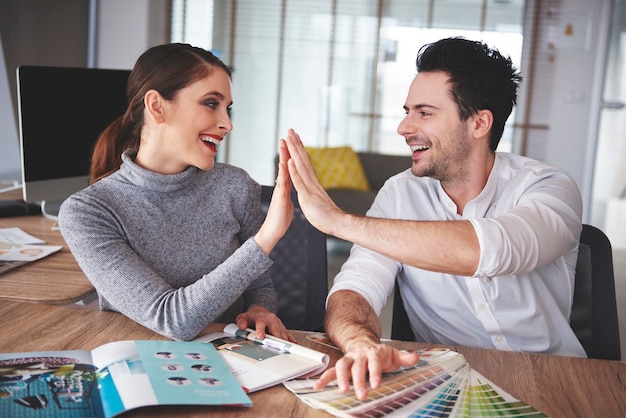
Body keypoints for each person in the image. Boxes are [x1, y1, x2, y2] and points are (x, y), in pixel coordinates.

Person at [283, 37, 586, 399]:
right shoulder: (399, 194)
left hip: (556, 380)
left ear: (479, 123)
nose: (403, 127)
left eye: (424, 113)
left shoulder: (548, 187)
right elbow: (354, 290)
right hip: (450, 383)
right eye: (407, 110)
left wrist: (338, 221)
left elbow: (493, 250)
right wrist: (362, 344)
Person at [58, 43, 295, 342]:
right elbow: (171, 319)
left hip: (231, 362)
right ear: (157, 106)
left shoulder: (235, 186)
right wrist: (266, 238)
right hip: (140, 366)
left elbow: (257, 283)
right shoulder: (88, 212)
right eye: (211, 103)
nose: (227, 124)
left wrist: (260, 308)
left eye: (228, 108)